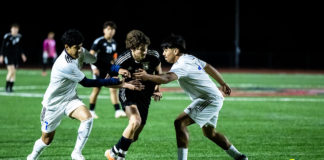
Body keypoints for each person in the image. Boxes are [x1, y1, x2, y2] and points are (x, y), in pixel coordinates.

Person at [27, 29, 140, 160]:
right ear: (67, 47)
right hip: (53, 104)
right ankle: (32, 156)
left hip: (70, 98)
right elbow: (87, 82)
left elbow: (98, 62)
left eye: (81, 47)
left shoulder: (80, 52)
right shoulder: (64, 65)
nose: (80, 50)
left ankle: (76, 153)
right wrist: (116, 82)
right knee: (46, 139)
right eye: (76, 48)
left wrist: (118, 69)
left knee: (87, 118)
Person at [134, 34, 248, 160]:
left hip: (209, 100)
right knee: (210, 133)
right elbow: (208, 67)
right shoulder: (190, 58)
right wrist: (223, 83)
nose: (164, 53)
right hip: (212, 97)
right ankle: (239, 157)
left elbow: (167, 78)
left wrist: (147, 76)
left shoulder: (181, 65)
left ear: (176, 50)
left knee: (180, 123)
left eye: (166, 50)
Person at [105, 30, 162, 160]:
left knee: (134, 135)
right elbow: (107, 82)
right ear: (132, 48)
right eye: (142, 50)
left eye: (146, 49)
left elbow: (159, 71)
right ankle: (119, 157)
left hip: (145, 96)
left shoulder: (153, 55)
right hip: (128, 94)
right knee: (135, 121)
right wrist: (126, 84)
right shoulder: (122, 59)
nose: (145, 52)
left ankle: (113, 152)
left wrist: (157, 88)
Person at [89, 21, 126, 119]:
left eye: (112, 30)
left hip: (109, 70)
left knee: (113, 89)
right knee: (96, 90)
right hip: (99, 70)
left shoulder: (114, 43)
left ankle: (118, 111)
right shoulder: (99, 41)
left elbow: (114, 57)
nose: (110, 31)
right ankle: (91, 111)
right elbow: (91, 55)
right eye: (108, 29)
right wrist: (94, 68)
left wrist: (116, 68)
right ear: (104, 30)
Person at [0, 23, 27, 92]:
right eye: (14, 29)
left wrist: (22, 54)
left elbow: (20, 47)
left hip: (15, 56)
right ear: (11, 29)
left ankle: (11, 88)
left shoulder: (19, 36)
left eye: (16, 29)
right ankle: (7, 87)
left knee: (14, 72)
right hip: (8, 56)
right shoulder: (7, 36)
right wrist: (1, 56)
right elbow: (3, 46)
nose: (15, 30)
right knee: (11, 71)